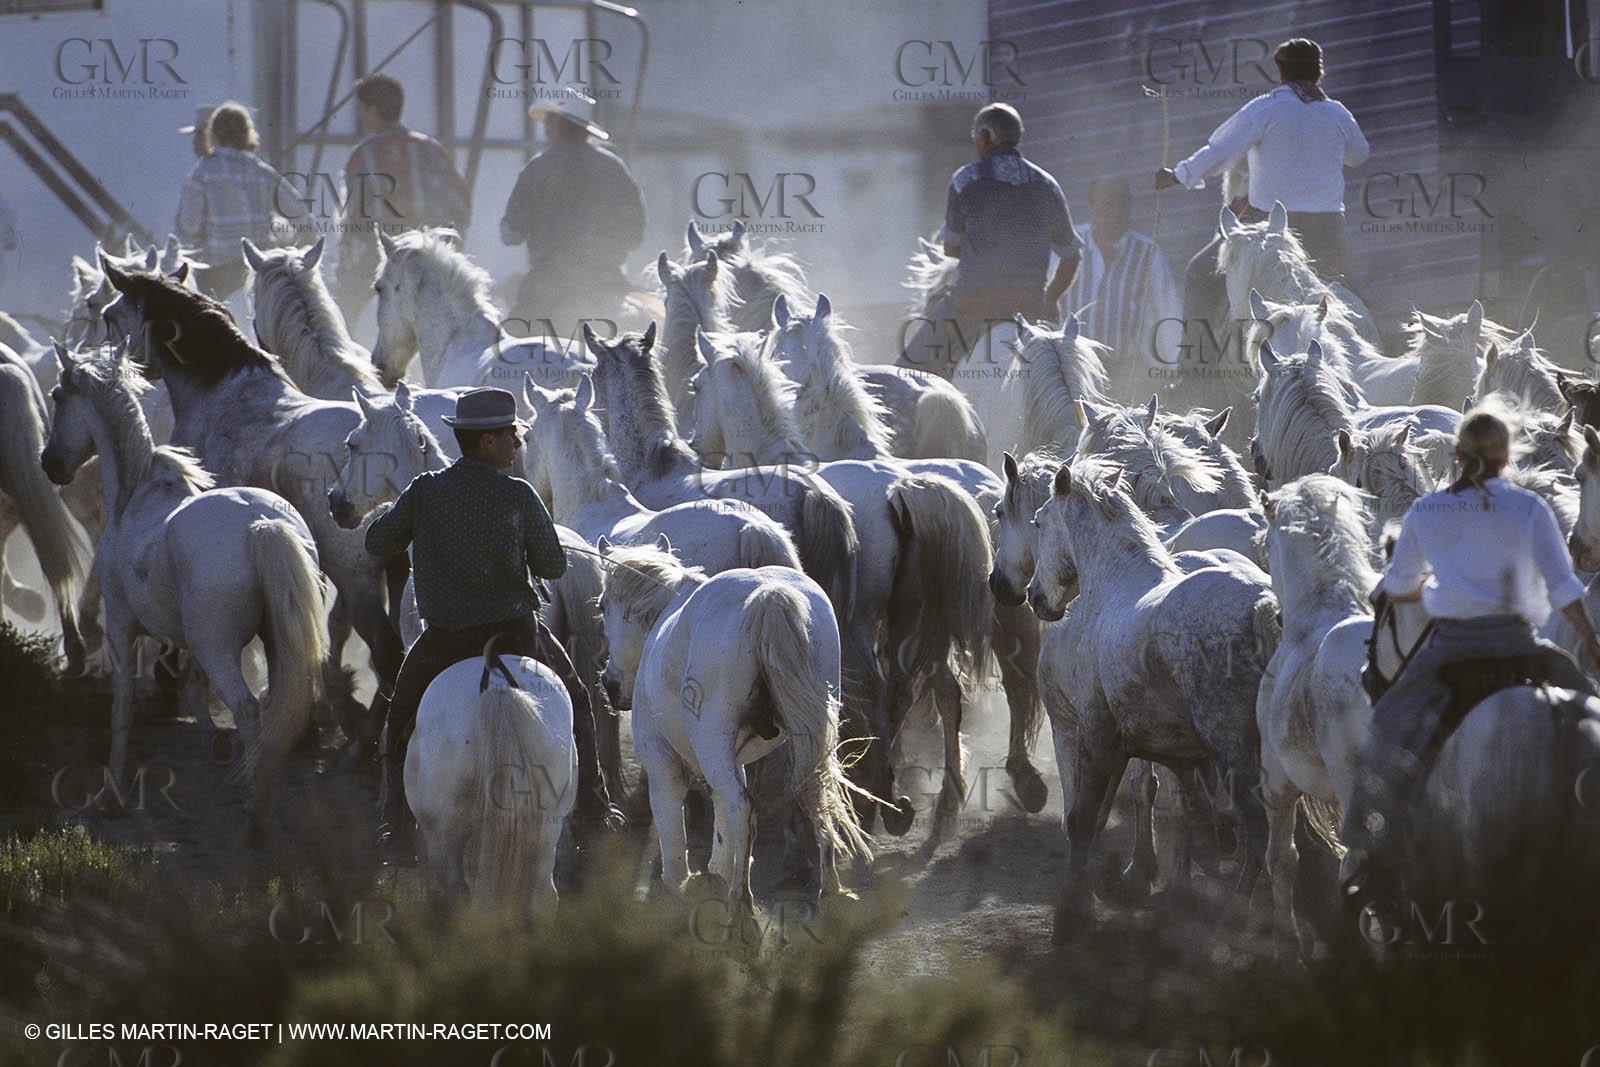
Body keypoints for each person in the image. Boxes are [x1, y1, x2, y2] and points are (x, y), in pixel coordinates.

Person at [1340, 409, 1600, 900]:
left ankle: (1371, 856)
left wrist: (1429, 583)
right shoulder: (1529, 509)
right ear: (1505, 458)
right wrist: (1591, 640)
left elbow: (1397, 587)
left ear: (1457, 456)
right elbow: (1566, 587)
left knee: (1386, 729)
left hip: (1451, 649)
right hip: (1522, 645)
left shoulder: (1427, 512)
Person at [364, 387, 624, 863]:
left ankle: (395, 822)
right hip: (516, 634)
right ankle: (592, 802)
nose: (518, 444)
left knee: (399, 717)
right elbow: (552, 566)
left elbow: (378, 541)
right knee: (579, 701)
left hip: (444, 639)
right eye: (511, 435)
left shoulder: (424, 490)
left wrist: (410, 518)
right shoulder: (518, 494)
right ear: (486, 442)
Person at [1156, 38, 1369, 283]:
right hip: (1327, 229)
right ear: (1318, 73)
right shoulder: (1338, 113)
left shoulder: (1265, 109)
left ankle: (1199, 324)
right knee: (1356, 295)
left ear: (1281, 73)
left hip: (1270, 229)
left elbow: (1219, 153)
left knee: (1199, 274)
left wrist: (1177, 175)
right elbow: (1359, 156)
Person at [898, 102, 1082, 378]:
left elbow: (951, 251)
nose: (975, 143)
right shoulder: (1047, 184)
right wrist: (1050, 298)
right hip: (1028, 307)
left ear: (985, 137)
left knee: (905, 373)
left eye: (975, 137)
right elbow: (1071, 256)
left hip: (972, 303)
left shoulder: (966, 180)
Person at [500, 87, 645, 329]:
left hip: (546, 290)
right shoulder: (614, 168)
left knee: (507, 350)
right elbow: (636, 236)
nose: (545, 128)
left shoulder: (538, 169)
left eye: (549, 121)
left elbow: (510, 234)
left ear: (561, 125)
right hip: (608, 285)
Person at [333, 73, 472, 320]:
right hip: (430, 256)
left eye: (361, 109)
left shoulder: (362, 155)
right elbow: (461, 206)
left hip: (378, 259)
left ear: (374, 111)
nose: (359, 116)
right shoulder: (432, 149)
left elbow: (352, 219)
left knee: (345, 312)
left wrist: (345, 270)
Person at [1060, 176, 1181, 400]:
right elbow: (1046, 302)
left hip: (1128, 375)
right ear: (1091, 207)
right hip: (1073, 373)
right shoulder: (1067, 248)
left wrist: (1172, 374)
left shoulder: (1149, 255)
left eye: (1121, 204)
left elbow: (1168, 317)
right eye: (1106, 204)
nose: (1114, 212)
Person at [173, 102, 286, 301]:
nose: (194, 142)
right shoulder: (263, 171)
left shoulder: (201, 174)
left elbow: (188, 230)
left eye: (199, 134)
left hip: (219, 277)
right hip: (263, 273)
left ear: (212, 134)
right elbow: (302, 217)